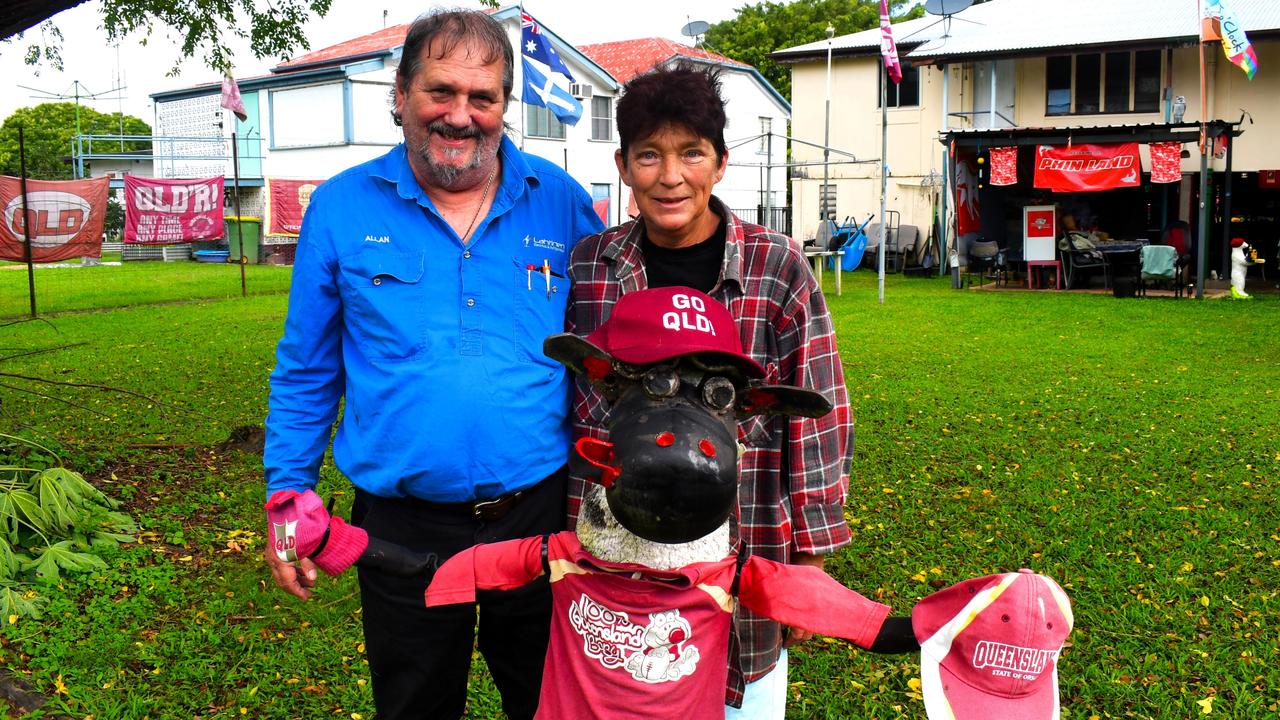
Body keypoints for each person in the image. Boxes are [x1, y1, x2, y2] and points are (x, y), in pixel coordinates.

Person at [262, 9, 603, 720]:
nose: (460, 116)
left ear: (506, 105)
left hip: (540, 514)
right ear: (400, 93)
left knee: (550, 702)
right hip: (398, 529)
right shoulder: (341, 206)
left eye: (483, 99)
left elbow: (608, 346)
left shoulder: (563, 204)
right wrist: (288, 492)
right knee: (414, 703)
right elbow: (306, 368)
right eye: (440, 92)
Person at [565, 63, 855, 718]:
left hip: (743, 545)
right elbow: (576, 401)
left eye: (691, 153)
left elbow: (818, 408)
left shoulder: (776, 266)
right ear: (623, 164)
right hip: (614, 562)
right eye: (649, 155)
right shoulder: (591, 266)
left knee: (740, 696)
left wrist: (810, 556)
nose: (670, 177)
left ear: (720, 163)